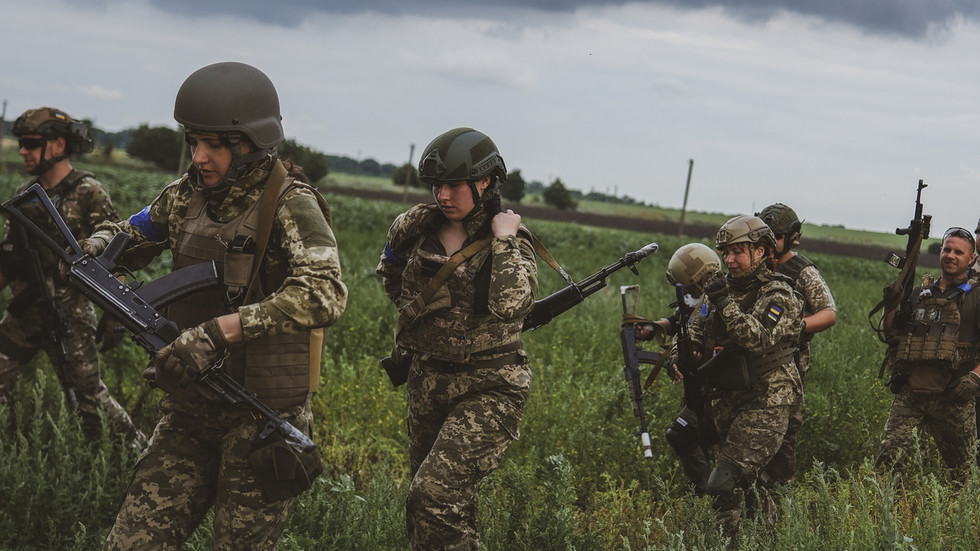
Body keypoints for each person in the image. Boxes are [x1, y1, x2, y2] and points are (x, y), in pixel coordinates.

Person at [93, 62, 347, 550]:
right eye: (192, 142)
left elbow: (324, 291)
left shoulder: (291, 203)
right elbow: (133, 232)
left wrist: (219, 332)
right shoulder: (188, 194)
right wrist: (99, 244)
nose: (199, 157)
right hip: (191, 406)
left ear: (248, 142)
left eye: (212, 144)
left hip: (260, 414)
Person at [377, 127, 537, 550]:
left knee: (431, 496)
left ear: (483, 182)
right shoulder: (419, 229)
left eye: (452, 184)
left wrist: (503, 239)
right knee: (437, 509)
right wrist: (423, 321)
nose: (442, 194)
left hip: (490, 387)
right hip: (427, 382)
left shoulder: (511, 241)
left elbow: (512, 306)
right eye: (436, 185)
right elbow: (391, 275)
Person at [0, 106, 142, 443]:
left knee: (89, 401)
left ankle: (137, 451)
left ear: (59, 146)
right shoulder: (25, 194)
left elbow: (114, 260)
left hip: (70, 315)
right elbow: (8, 259)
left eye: (31, 143)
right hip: (26, 309)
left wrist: (118, 317)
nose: (23, 150)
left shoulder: (89, 192)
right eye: (21, 143)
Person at [667, 215, 803, 539]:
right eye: (725, 252)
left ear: (761, 251)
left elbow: (755, 338)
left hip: (767, 399)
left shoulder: (779, 294)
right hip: (727, 400)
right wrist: (678, 356)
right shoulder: (716, 294)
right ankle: (770, 536)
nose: (729, 260)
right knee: (741, 483)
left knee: (721, 482)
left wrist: (724, 302)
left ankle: (725, 544)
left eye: (738, 251)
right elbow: (692, 329)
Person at [875, 226, 980, 480]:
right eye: (947, 249)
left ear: (972, 259)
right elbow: (891, 333)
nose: (951, 256)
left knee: (964, 477)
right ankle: (884, 514)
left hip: (955, 396)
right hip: (912, 394)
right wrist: (891, 303)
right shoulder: (919, 294)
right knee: (888, 465)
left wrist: (975, 377)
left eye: (958, 252)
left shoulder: (976, 296)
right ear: (940, 252)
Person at [756, 202, 836, 488]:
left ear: (790, 236)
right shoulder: (755, 264)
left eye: (775, 237)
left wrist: (798, 327)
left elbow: (828, 313)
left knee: (785, 429)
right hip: (754, 362)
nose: (769, 243)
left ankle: (781, 488)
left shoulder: (801, 270)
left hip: (789, 363)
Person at [635, 242, 723, 496]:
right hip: (697, 387)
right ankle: (704, 492)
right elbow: (681, 320)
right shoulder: (695, 300)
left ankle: (720, 495)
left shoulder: (722, 300)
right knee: (684, 435)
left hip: (721, 389)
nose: (684, 291)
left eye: (687, 286)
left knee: (717, 446)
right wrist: (655, 328)